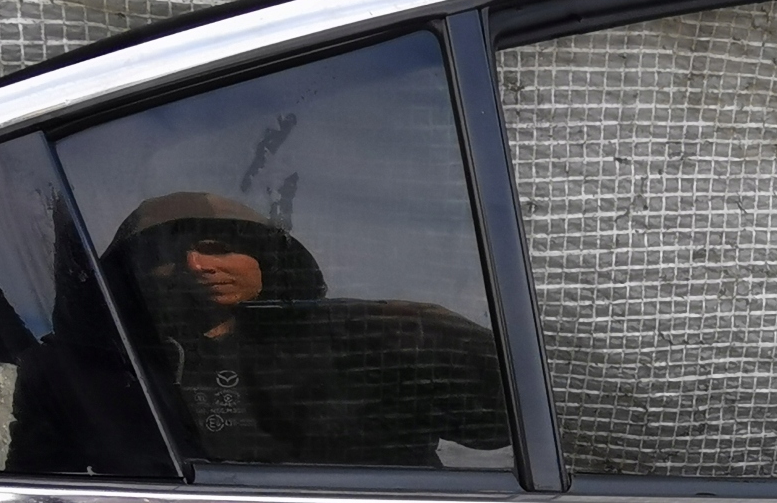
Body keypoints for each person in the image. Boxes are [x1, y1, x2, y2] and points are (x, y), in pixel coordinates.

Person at [105, 191, 513, 469]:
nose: (196, 265)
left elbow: (497, 425)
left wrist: (431, 337)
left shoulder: (360, 340)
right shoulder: (105, 362)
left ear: (265, 258)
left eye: (218, 248)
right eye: (165, 256)